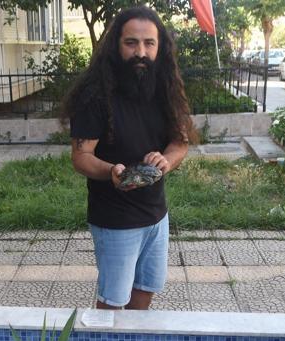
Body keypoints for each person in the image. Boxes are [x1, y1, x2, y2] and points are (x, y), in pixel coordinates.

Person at [62, 6, 194, 310]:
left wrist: (166, 161)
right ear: (116, 45)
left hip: (157, 215)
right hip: (115, 220)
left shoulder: (165, 88)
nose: (141, 52)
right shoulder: (94, 95)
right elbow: (81, 156)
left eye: (149, 43)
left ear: (160, 47)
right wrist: (112, 171)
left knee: (145, 291)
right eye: (131, 43)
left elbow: (180, 142)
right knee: (113, 303)